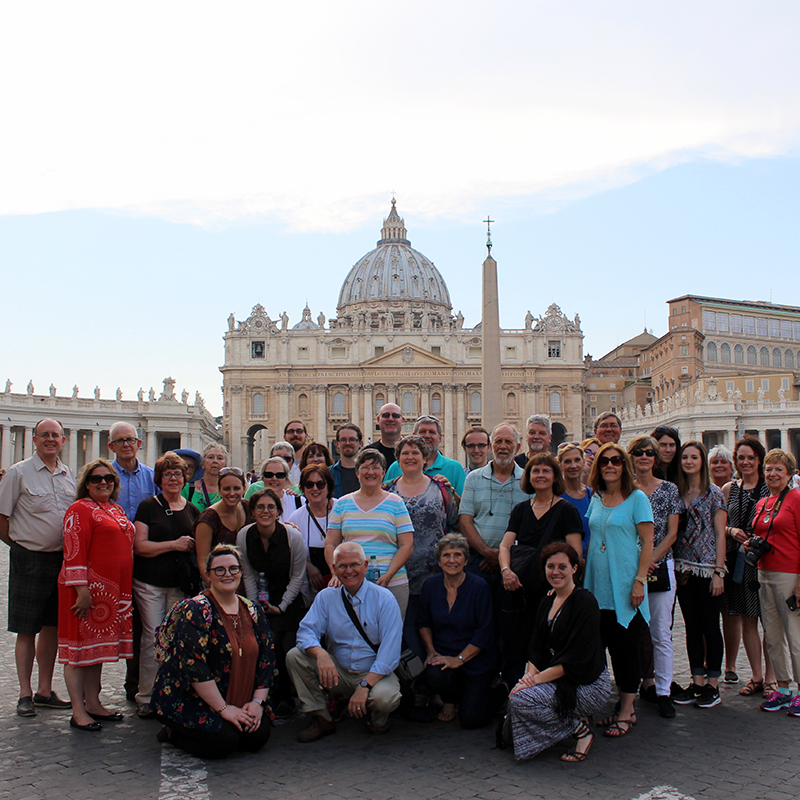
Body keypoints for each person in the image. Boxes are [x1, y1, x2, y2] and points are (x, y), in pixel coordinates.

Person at [151, 544, 275, 758]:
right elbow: (195, 666)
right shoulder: (196, 610)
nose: (227, 574)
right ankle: (173, 733)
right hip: (193, 698)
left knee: (258, 737)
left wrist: (257, 703)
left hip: (240, 697)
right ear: (208, 575)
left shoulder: (253, 610)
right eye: (220, 570)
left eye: (233, 568)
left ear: (241, 572)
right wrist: (224, 709)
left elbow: (267, 658)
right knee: (223, 742)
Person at [503, 543, 610, 762]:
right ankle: (571, 718)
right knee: (517, 697)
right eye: (550, 566)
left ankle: (579, 730)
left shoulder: (585, 602)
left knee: (520, 700)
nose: (555, 572)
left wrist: (533, 682)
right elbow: (536, 646)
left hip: (586, 683)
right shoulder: (548, 600)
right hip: (555, 677)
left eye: (563, 566)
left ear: (574, 569)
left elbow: (576, 658)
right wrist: (529, 676)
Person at [286, 541, 402, 742]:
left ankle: (378, 719)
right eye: (342, 566)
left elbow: (389, 655)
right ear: (333, 568)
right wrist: (320, 654)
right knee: (295, 656)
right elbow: (306, 633)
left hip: (374, 673)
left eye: (354, 565)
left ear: (366, 566)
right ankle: (321, 717)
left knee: (384, 699)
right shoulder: (326, 597)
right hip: (338, 671)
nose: (349, 571)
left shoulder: (385, 599)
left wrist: (364, 686)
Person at [0, 418, 75, 717]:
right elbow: (2, 518)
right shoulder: (18, 474)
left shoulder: (69, 475)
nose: (50, 440)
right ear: (34, 439)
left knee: (52, 628)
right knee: (26, 628)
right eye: (44, 435)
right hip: (29, 558)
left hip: (61, 560)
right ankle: (24, 692)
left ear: (63, 441)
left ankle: (45, 689)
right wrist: (19, 546)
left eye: (55, 435)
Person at [58, 459, 135, 731]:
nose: (103, 482)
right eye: (96, 479)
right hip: (87, 592)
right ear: (86, 484)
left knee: (95, 650)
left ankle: (93, 702)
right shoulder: (78, 509)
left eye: (108, 478)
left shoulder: (115, 508)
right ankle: (78, 710)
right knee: (78, 651)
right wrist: (81, 590)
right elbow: (73, 551)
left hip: (111, 592)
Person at [584, 443, 654, 737]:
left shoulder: (637, 498)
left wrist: (640, 580)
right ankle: (612, 704)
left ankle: (627, 710)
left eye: (615, 461)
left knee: (626, 650)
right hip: (597, 582)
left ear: (624, 466)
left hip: (626, 581)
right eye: (604, 462)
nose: (610, 465)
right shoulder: (597, 498)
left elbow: (648, 542)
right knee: (600, 646)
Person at [498, 452, 584, 681]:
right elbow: (505, 546)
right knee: (518, 644)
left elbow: (575, 553)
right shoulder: (521, 510)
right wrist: (506, 570)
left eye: (546, 471)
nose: (541, 475)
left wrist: (561, 582)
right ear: (528, 477)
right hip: (522, 589)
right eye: (535, 471)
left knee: (550, 644)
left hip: (552, 590)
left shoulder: (567, 510)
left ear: (556, 477)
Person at [132, 452, 199, 719]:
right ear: (159, 479)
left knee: (175, 640)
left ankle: (171, 691)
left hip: (179, 585)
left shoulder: (192, 509)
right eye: (168, 474)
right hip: (150, 582)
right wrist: (174, 545)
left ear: (185, 478)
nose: (173, 478)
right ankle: (146, 695)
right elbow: (140, 546)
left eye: (178, 474)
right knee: (152, 636)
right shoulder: (148, 506)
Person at [386, 435, 459, 659]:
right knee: (402, 631)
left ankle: (435, 680)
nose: (410, 457)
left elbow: (455, 521)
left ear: (425, 458)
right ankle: (411, 683)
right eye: (405, 453)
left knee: (435, 627)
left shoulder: (441, 487)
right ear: (397, 459)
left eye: (415, 453)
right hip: (398, 574)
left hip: (435, 574)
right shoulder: (386, 490)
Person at [237, 489, 308, 719]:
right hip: (260, 597)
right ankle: (263, 693)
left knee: (280, 643)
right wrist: (252, 606)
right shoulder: (244, 535)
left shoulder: (292, 537)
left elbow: (298, 576)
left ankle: (283, 695)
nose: (265, 511)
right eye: (260, 507)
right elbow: (247, 573)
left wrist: (282, 605)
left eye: (271, 507)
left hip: (289, 597)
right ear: (252, 511)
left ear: (278, 511)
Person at [418, 534, 497, 727]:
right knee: (433, 674)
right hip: (443, 653)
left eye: (457, 555)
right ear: (439, 560)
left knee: (472, 720)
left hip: (475, 658)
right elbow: (423, 622)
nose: (452, 560)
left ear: (466, 560)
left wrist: (459, 659)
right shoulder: (430, 585)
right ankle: (449, 701)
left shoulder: (479, 587)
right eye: (446, 555)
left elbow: (485, 631)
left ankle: (500, 690)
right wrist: (431, 651)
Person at [627, 436, 680, 719]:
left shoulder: (669, 489)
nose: (644, 457)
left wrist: (650, 561)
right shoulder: (624, 490)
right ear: (632, 456)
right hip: (629, 569)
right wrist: (639, 566)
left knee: (661, 632)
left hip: (659, 566)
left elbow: (672, 533)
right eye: (639, 452)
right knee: (630, 632)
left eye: (649, 453)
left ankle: (663, 691)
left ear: (655, 458)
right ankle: (629, 691)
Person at [325, 449, 414, 617]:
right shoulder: (342, 504)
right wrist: (335, 572)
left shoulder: (396, 503)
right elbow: (331, 543)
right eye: (365, 467)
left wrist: (388, 575)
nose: (371, 472)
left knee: (390, 636)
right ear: (357, 472)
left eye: (376, 467)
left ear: (384, 472)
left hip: (391, 583)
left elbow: (406, 545)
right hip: (351, 582)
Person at [672, 441, 727, 708]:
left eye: (694, 457)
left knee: (710, 626)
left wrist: (719, 571)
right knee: (692, 627)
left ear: (702, 461)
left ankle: (713, 685)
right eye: (685, 457)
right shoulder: (678, 493)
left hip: (707, 569)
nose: (689, 461)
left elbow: (720, 534)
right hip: (683, 568)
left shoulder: (714, 493)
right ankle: (696, 681)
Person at [746, 449, 800, 714]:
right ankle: (783, 687)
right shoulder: (763, 502)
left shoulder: (796, 499)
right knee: (773, 636)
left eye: (779, 469)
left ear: (788, 473)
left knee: (795, 634)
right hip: (764, 572)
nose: (773, 474)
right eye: (768, 469)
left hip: (790, 575)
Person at [721, 438, 774, 696]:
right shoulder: (729, 489)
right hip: (740, 561)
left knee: (771, 621)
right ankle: (756, 676)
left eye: (751, 457)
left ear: (759, 459)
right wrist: (731, 530)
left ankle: (773, 678)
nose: (745, 462)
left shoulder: (772, 487)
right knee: (748, 620)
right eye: (741, 457)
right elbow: (718, 524)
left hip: (768, 560)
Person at [193, 467, 251, 583]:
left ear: (244, 489)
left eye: (236, 488)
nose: (232, 493)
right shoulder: (208, 519)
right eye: (226, 489)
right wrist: (216, 590)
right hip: (219, 581)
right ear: (219, 490)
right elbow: (203, 562)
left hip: (247, 580)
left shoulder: (249, 508)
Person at [384, 415, 466, 495]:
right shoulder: (396, 467)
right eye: (422, 432)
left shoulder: (455, 468)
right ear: (414, 436)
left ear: (440, 438)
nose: (427, 436)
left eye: (432, 432)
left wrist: (450, 493)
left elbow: (464, 506)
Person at [287, 464, 337, 594]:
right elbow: (293, 554)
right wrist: (309, 567)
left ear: (328, 486)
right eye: (309, 484)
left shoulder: (342, 509)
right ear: (303, 488)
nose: (315, 488)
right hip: (311, 588)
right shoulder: (296, 518)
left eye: (320, 484)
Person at [107, 421, 156, 522]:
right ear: (111, 447)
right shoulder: (103, 478)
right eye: (120, 441)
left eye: (130, 440)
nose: (126, 445)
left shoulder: (152, 476)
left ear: (138, 444)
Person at [557, 442, 592, 558]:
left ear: (583, 462)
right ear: (560, 465)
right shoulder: (555, 496)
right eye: (567, 461)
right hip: (566, 562)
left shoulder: (592, 495)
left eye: (577, 460)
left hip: (593, 561)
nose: (573, 466)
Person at [186, 443, 230, 512]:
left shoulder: (230, 490)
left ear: (225, 465)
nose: (215, 461)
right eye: (210, 457)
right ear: (202, 464)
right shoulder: (187, 488)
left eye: (220, 458)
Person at [363, 402, 404, 468]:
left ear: (402, 421)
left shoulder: (412, 452)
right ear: (378, 420)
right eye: (386, 415)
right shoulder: (368, 452)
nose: (390, 419)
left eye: (395, 416)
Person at [330, 423, 363, 498]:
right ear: (337, 444)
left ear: (360, 443)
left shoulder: (370, 473)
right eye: (343, 440)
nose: (347, 443)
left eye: (352, 439)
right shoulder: (328, 474)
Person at [284, 420, 309, 484]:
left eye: (299, 431)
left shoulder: (312, 462)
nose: (295, 434)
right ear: (285, 437)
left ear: (306, 436)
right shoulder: (278, 463)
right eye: (291, 431)